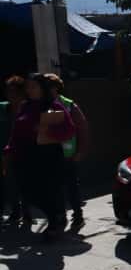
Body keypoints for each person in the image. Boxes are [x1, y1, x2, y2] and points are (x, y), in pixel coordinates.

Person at [4, 73, 75, 241]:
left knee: (48, 191)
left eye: (33, 86)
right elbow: (16, 132)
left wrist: (46, 130)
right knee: (27, 191)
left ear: (42, 88)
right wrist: (8, 150)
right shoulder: (25, 106)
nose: (30, 90)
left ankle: (54, 223)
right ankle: (56, 217)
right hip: (25, 156)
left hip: (47, 156)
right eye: (28, 87)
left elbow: (68, 130)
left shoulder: (53, 106)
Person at [44, 73, 90, 233]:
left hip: (68, 153)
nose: (46, 90)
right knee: (54, 188)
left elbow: (83, 129)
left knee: (71, 187)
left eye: (49, 86)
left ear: (56, 88)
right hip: (49, 154)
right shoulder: (40, 105)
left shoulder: (69, 105)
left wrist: (80, 151)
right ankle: (60, 216)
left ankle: (78, 216)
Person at [0, 76, 28, 227]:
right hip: (6, 151)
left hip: (24, 151)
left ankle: (27, 213)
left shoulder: (29, 108)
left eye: (14, 91)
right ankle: (15, 212)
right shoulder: (3, 108)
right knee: (9, 182)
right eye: (8, 91)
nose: (10, 95)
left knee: (25, 183)